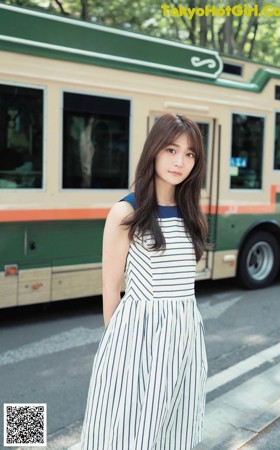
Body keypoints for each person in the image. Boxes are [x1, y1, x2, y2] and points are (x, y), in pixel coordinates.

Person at [81, 113, 208, 450]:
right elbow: (111, 287)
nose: (180, 161)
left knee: (171, 430)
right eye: (171, 150)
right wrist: (119, 353)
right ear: (153, 151)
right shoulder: (126, 211)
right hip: (139, 337)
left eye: (190, 154)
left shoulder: (190, 210)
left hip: (184, 336)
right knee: (128, 430)